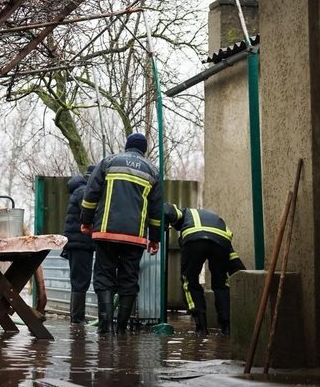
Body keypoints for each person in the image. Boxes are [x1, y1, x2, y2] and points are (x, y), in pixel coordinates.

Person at [80, 133, 162, 334]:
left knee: (104, 277)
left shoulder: (108, 162)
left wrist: (86, 221)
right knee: (129, 280)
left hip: (106, 233)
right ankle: (122, 330)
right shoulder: (153, 171)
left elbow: (91, 194)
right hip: (134, 237)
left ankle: (105, 327)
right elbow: (156, 209)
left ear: (126, 146)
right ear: (144, 150)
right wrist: (155, 238)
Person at [164, 203, 247, 336]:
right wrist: (241, 273)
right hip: (222, 241)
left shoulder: (185, 213)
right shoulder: (213, 219)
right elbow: (231, 256)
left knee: (189, 281)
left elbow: (167, 210)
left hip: (194, 239)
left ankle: (201, 328)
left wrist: (161, 227)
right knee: (221, 284)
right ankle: (226, 328)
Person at [62, 164, 96, 324]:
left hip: (78, 243)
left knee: (78, 280)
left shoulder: (79, 190)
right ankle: (77, 319)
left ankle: (76, 318)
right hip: (81, 242)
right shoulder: (84, 191)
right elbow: (89, 213)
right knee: (81, 281)